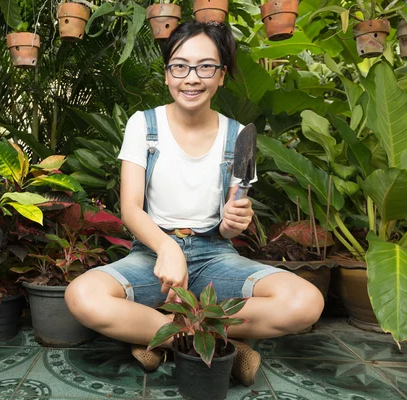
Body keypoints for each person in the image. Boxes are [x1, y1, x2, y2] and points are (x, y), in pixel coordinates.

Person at [65, 20, 324, 386]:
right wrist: (167, 247)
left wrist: (234, 222)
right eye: (180, 66)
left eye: (206, 66)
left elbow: (228, 221)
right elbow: (131, 209)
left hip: (215, 257)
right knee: (82, 296)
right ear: (168, 74)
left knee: (306, 302)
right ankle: (222, 343)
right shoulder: (144, 126)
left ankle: (160, 336)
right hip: (152, 256)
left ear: (221, 76)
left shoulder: (237, 135)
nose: (192, 78)